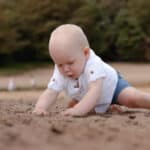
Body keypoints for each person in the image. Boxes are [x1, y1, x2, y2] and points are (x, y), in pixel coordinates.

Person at [33, 24, 150, 117]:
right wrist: (40, 108)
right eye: (59, 65)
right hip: (87, 95)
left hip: (112, 87)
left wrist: (78, 110)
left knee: (132, 99)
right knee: (72, 106)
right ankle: (108, 107)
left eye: (70, 63)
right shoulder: (62, 68)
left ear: (86, 53)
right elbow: (51, 92)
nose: (65, 69)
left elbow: (95, 91)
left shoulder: (93, 63)